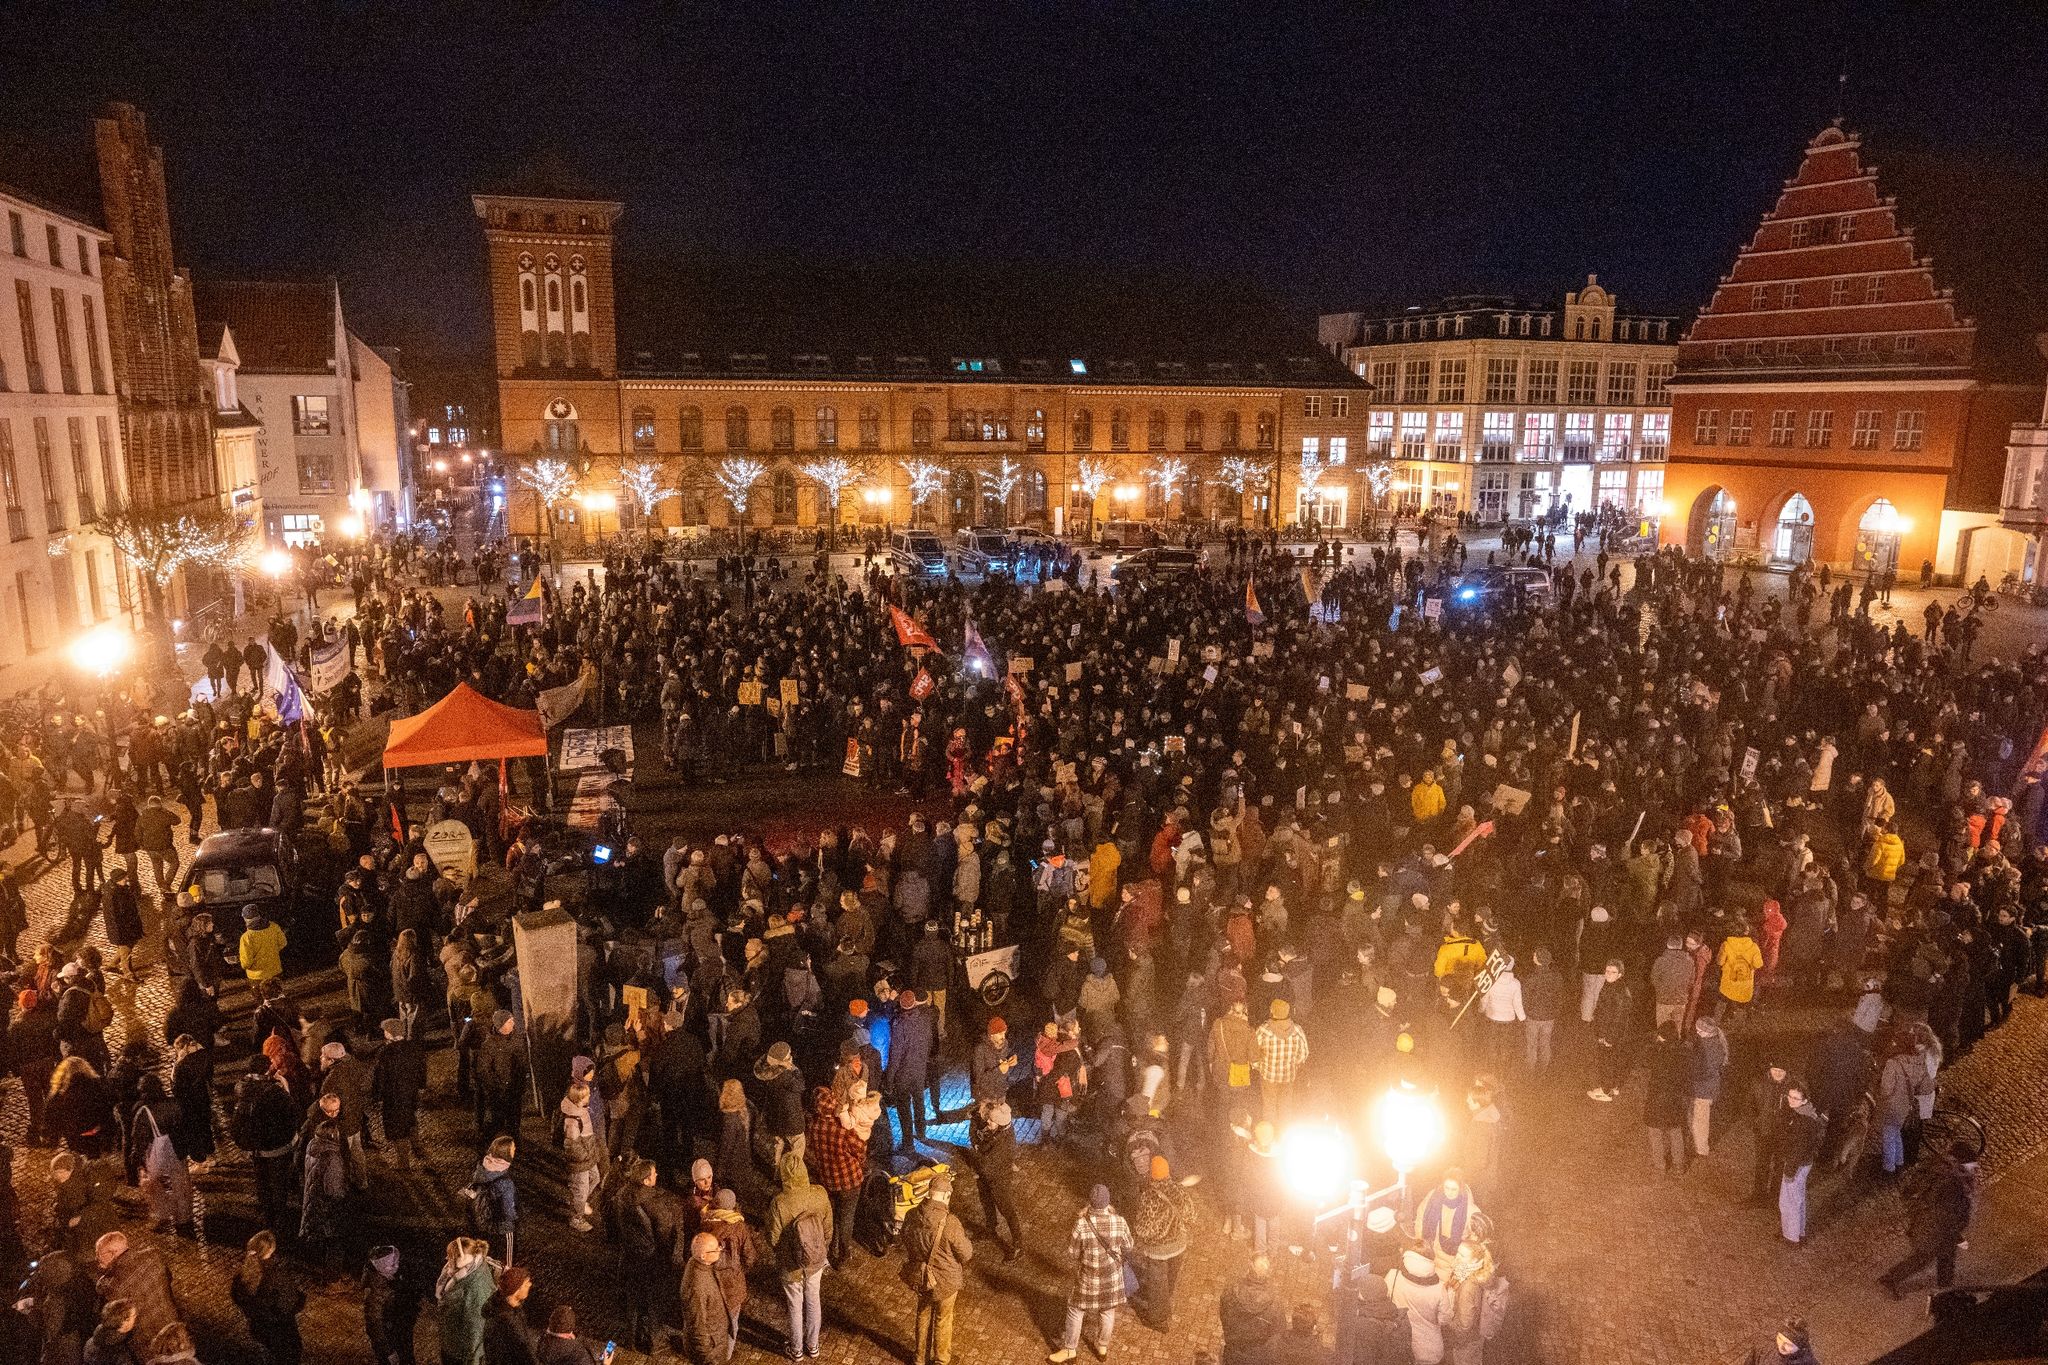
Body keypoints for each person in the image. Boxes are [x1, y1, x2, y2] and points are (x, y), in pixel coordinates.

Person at [1878, 1142, 1977, 1297]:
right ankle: (1890, 1278)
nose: (1974, 1168)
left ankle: (1945, 1288)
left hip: (1932, 1223)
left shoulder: (1943, 1168)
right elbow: (1951, 1210)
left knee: (1943, 1257)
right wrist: (1956, 1233)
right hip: (1939, 1228)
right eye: (1971, 1164)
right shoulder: (1954, 1181)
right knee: (1925, 1257)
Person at [1048, 1184, 1131, 1363]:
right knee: (1107, 1311)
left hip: (1088, 1279)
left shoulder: (1081, 1224)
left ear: (1090, 1202)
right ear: (1108, 1202)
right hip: (1112, 1278)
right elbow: (1129, 1246)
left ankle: (1070, 1350)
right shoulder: (1120, 1221)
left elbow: (1072, 1253)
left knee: (1075, 1310)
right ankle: (1102, 1347)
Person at [899, 1170, 973, 1365]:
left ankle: (919, 1358)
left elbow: (905, 1240)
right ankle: (941, 1359)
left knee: (923, 1313)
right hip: (946, 1281)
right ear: (946, 1196)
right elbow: (966, 1254)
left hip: (921, 1276)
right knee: (943, 1318)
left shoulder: (911, 1215)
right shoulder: (950, 1223)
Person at [763, 1150, 831, 1360]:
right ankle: (813, 1346)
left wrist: (783, 1253)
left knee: (794, 1307)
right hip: (815, 1261)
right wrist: (820, 1249)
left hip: (790, 1265)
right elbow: (828, 1228)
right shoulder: (819, 1194)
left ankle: (796, 1349)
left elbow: (773, 1236)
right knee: (813, 1301)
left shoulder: (779, 1203)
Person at [1129, 1155, 1193, 1330]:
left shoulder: (1149, 1196)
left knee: (1157, 1283)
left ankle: (1158, 1320)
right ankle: (1168, 1296)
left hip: (1158, 1250)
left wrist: (1143, 1238)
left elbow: (1143, 1228)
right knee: (1171, 1276)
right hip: (1179, 1244)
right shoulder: (1179, 1190)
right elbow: (1191, 1215)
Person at [92, 1232, 180, 1357]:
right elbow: (168, 1278)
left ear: (112, 1254)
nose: (97, 1258)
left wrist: (104, 1270)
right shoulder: (154, 1255)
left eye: (99, 1254)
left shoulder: (108, 1286)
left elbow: (113, 1317)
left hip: (145, 1340)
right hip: (170, 1324)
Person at [230, 1229, 306, 1365]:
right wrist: (301, 1298)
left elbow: (237, 1297)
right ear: (270, 1249)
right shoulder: (277, 1276)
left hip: (257, 1327)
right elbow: (289, 1305)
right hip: (280, 1332)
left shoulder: (242, 1276)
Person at [436, 1238, 500, 1365]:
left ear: (462, 1259)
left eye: (451, 1257)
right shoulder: (468, 1270)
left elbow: (475, 1330)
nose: (447, 1260)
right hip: (454, 1343)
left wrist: (473, 1361)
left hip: (463, 1354)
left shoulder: (474, 1289)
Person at [1776, 1080, 1824, 1245]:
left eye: (1796, 1098)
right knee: (1798, 1198)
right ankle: (1798, 1231)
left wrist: (1789, 1170)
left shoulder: (1803, 1121)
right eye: (1790, 1096)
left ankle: (1790, 1236)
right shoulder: (1806, 1113)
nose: (1791, 1100)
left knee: (1788, 1200)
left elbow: (1798, 1148)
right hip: (1803, 1163)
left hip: (1796, 1164)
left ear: (1804, 1100)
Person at [1386, 1248, 1450, 1365]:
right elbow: (1444, 1320)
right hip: (1430, 1349)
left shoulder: (1392, 1276)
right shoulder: (1439, 1288)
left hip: (1400, 1344)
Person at [1642, 1021, 1689, 1177]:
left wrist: (1656, 1044)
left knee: (1655, 1132)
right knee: (1676, 1132)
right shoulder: (1683, 1053)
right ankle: (1678, 1166)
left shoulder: (1658, 1053)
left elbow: (1645, 1060)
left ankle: (1660, 1165)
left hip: (1657, 1099)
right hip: (1675, 1100)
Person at [1218, 1255, 1284, 1365]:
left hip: (1233, 1350)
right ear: (1268, 1274)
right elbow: (1278, 1332)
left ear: (1250, 1268)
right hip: (1259, 1355)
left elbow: (1224, 1316)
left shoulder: (1231, 1292)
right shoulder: (1275, 1304)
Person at [680, 1232, 732, 1365]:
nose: (719, 1250)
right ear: (703, 1256)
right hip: (711, 1348)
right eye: (715, 1249)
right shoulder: (697, 1287)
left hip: (717, 1338)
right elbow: (696, 1325)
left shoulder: (698, 1263)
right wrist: (708, 1358)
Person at [364, 1244, 420, 1365]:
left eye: (396, 1262)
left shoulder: (388, 1278)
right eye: (392, 1264)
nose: (397, 1266)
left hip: (397, 1333)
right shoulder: (376, 1292)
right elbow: (374, 1325)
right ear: (381, 1265)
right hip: (390, 1341)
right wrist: (389, 1352)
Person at [1586, 960, 1633, 1102]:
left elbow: (1618, 1017)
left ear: (1620, 974)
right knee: (1613, 1061)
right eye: (1607, 971)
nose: (1609, 974)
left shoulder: (1618, 991)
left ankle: (1605, 1091)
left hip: (1610, 1034)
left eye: (1613, 972)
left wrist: (1608, 1037)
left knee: (1606, 1062)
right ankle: (1613, 1087)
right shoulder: (1612, 986)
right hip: (1610, 1033)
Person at [470, 1135, 520, 1267]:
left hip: (482, 1222)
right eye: (513, 1148)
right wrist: (514, 1219)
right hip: (501, 1227)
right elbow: (507, 1211)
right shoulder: (506, 1182)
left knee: (486, 1255)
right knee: (506, 1263)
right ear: (505, 1153)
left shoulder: (483, 1168)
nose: (515, 1149)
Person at [1689, 1016, 1730, 1158]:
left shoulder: (1710, 1048)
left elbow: (1704, 1071)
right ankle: (1698, 1144)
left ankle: (1701, 1148)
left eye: (1700, 1031)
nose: (1697, 1032)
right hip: (1707, 1087)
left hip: (1704, 1089)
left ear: (1709, 1032)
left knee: (1700, 1121)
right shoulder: (1713, 1042)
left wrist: (1690, 1075)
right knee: (1698, 1118)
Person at [481, 1265, 537, 1365]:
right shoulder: (508, 1321)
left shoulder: (502, 1308)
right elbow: (524, 1351)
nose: (530, 1284)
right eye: (526, 1283)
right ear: (516, 1290)